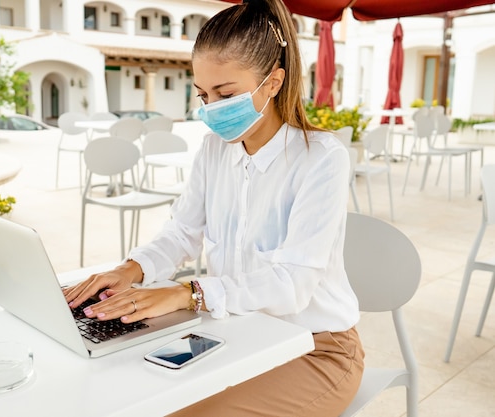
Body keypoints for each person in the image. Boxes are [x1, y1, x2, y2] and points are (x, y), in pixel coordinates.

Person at [63, 0, 364, 415]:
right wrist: (128, 270)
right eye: (204, 95)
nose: (211, 109)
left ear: (273, 82)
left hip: (316, 347)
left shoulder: (321, 158)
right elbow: (181, 233)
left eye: (226, 94)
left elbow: (293, 284)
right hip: (239, 334)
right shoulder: (214, 151)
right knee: (136, 397)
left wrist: (190, 293)